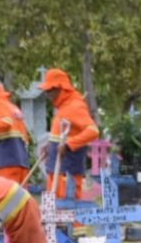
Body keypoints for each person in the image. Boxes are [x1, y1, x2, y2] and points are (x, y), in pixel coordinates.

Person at [40, 67, 99, 199]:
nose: (47, 94)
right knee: (52, 207)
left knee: (66, 208)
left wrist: (68, 145)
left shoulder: (75, 105)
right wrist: (50, 146)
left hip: (67, 173)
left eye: (49, 90)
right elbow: (61, 134)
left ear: (60, 88)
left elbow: (93, 131)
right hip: (55, 170)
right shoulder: (64, 107)